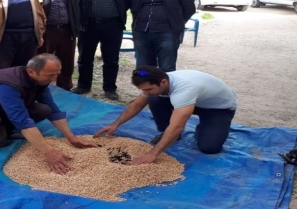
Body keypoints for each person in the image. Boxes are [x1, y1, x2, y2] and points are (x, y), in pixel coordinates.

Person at [0, 54, 96, 174]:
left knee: (44, 109)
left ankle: (7, 131)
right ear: (31, 71)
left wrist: (72, 138)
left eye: (57, 74)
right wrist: (49, 153)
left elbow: (53, 110)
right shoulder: (8, 84)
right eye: (50, 75)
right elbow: (22, 120)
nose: (54, 80)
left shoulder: (39, 81)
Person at [94, 65, 237, 165]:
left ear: (163, 81)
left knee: (209, 148)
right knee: (154, 98)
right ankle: (166, 133)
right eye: (143, 90)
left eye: (149, 88)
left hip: (218, 108)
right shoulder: (158, 83)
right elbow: (137, 105)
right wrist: (115, 124)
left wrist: (153, 153)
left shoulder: (184, 89)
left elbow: (177, 126)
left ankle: (204, 126)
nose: (146, 92)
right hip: (195, 101)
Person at [70, 0, 133, 100]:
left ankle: (110, 88)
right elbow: (74, 3)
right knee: (85, 58)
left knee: (111, 59)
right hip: (88, 24)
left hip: (113, 25)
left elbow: (130, 0)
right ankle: (84, 85)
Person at [129, 0, 195, 72]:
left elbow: (189, 8)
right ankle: (146, 89)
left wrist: (176, 23)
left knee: (167, 67)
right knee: (143, 68)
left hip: (167, 33)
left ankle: (165, 90)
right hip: (141, 33)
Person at [31, 0, 80, 91]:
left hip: (67, 31)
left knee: (67, 62)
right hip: (45, 31)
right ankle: (37, 89)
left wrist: (76, 29)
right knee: (41, 62)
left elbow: (77, 9)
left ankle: (65, 89)